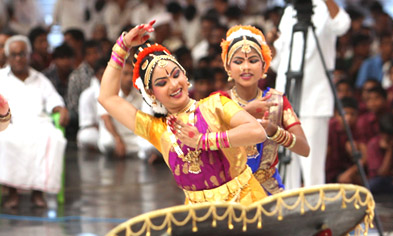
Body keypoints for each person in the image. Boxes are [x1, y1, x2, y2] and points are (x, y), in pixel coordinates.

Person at [97, 21, 268, 205]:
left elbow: (257, 132)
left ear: (185, 76)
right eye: (162, 83)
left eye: (176, 75)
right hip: (198, 216)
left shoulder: (215, 104)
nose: (173, 85)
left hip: (244, 204)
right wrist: (122, 47)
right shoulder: (158, 130)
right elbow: (107, 98)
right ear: (152, 94)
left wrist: (203, 141)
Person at [219, 25, 310, 195]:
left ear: (264, 66)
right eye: (238, 62)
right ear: (228, 67)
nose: (246, 67)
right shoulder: (219, 101)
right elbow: (206, 140)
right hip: (232, 195)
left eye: (253, 60)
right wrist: (246, 113)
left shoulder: (276, 101)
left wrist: (274, 131)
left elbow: (304, 149)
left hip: (270, 193)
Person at [272, 0, 350, 189]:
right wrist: (269, 45)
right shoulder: (290, 11)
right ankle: (288, 211)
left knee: (311, 166)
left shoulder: (324, 8)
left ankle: (314, 214)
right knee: (286, 163)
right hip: (286, 97)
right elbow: (277, 63)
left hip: (314, 99)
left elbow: (342, 25)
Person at [0, 35, 69, 208]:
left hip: (38, 123)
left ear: (29, 55)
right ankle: (12, 192)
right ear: (7, 57)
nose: (18, 58)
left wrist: (60, 109)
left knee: (53, 139)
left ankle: (38, 192)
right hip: (10, 124)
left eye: (22, 54)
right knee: (5, 140)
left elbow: (54, 100)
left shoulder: (40, 79)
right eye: (14, 55)